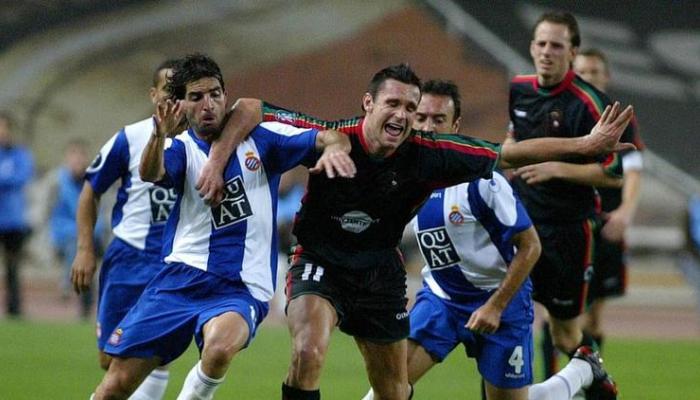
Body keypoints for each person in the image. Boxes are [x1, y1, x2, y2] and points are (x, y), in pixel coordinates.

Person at [197, 63, 633, 400]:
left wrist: (585, 146)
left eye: (411, 108)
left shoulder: (431, 155)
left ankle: (580, 373)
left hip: (382, 275)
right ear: (368, 103)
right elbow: (252, 107)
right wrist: (216, 162)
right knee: (309, 351)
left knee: (393, 392)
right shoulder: (331, 137)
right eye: (395, 104)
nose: (404, 116)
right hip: (319, 263)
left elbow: (509, 155)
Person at [92, 53, 355, 400]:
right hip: (178, 280)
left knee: (217, 349)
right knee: (114, 384)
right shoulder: (180, 149)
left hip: (240, 286)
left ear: (225, 94)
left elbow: (326, 137)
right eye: (196, 97)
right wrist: (157, 134)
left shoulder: (263, 140)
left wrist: (335, 148)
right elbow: (151, 173)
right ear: (181, 105)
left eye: (215, 93)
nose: (208, 104)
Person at [361, 80, 617, 400]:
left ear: (455, 125)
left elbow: (531, 246)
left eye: (439, 120)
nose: (428, 127)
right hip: (441, 299)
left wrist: (495, 307)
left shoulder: (482, 179)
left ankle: (582, 370)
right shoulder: (401, 171)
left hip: (501, 302)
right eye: (422, 117)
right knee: (386, 392)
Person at [506, 11, 636, 384]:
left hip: (567, 233)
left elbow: (613, 174)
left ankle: (597, 381)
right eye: (541, 43)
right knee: (500, 321)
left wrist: (556, 168)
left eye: (557, 45)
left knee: (566, 333)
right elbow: (513, 135)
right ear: (532, 47)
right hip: (520, 226)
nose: (547, 52)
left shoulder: (590, 102)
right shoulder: (519, 88)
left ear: (572, 52)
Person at [71, 59, 181, 399]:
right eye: (168, 92)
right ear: (153, 95)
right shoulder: (130, 138)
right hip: (128, 257)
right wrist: (85, 248)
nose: (174, 101)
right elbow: (91, 191)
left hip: (175, 261)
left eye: (181, 93)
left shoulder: (202, 141)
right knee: (111, 358)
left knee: (156, 352)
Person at [48, 139, 102, 319]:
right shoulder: (56, 183)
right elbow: (51, 214)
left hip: (92, 235)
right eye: (74, 156)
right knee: (78, 244)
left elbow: (101, 214)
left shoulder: (96, 180)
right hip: (65, 236)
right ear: (66, 158)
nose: (78, 160)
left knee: (87, 244)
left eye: (81, 156)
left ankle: (83, 301)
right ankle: (69, 279)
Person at [0, 111, 34, 318]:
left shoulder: (20, 154)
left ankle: (14, 309)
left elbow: (21, 178)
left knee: (12, 266)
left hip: (12, 219)